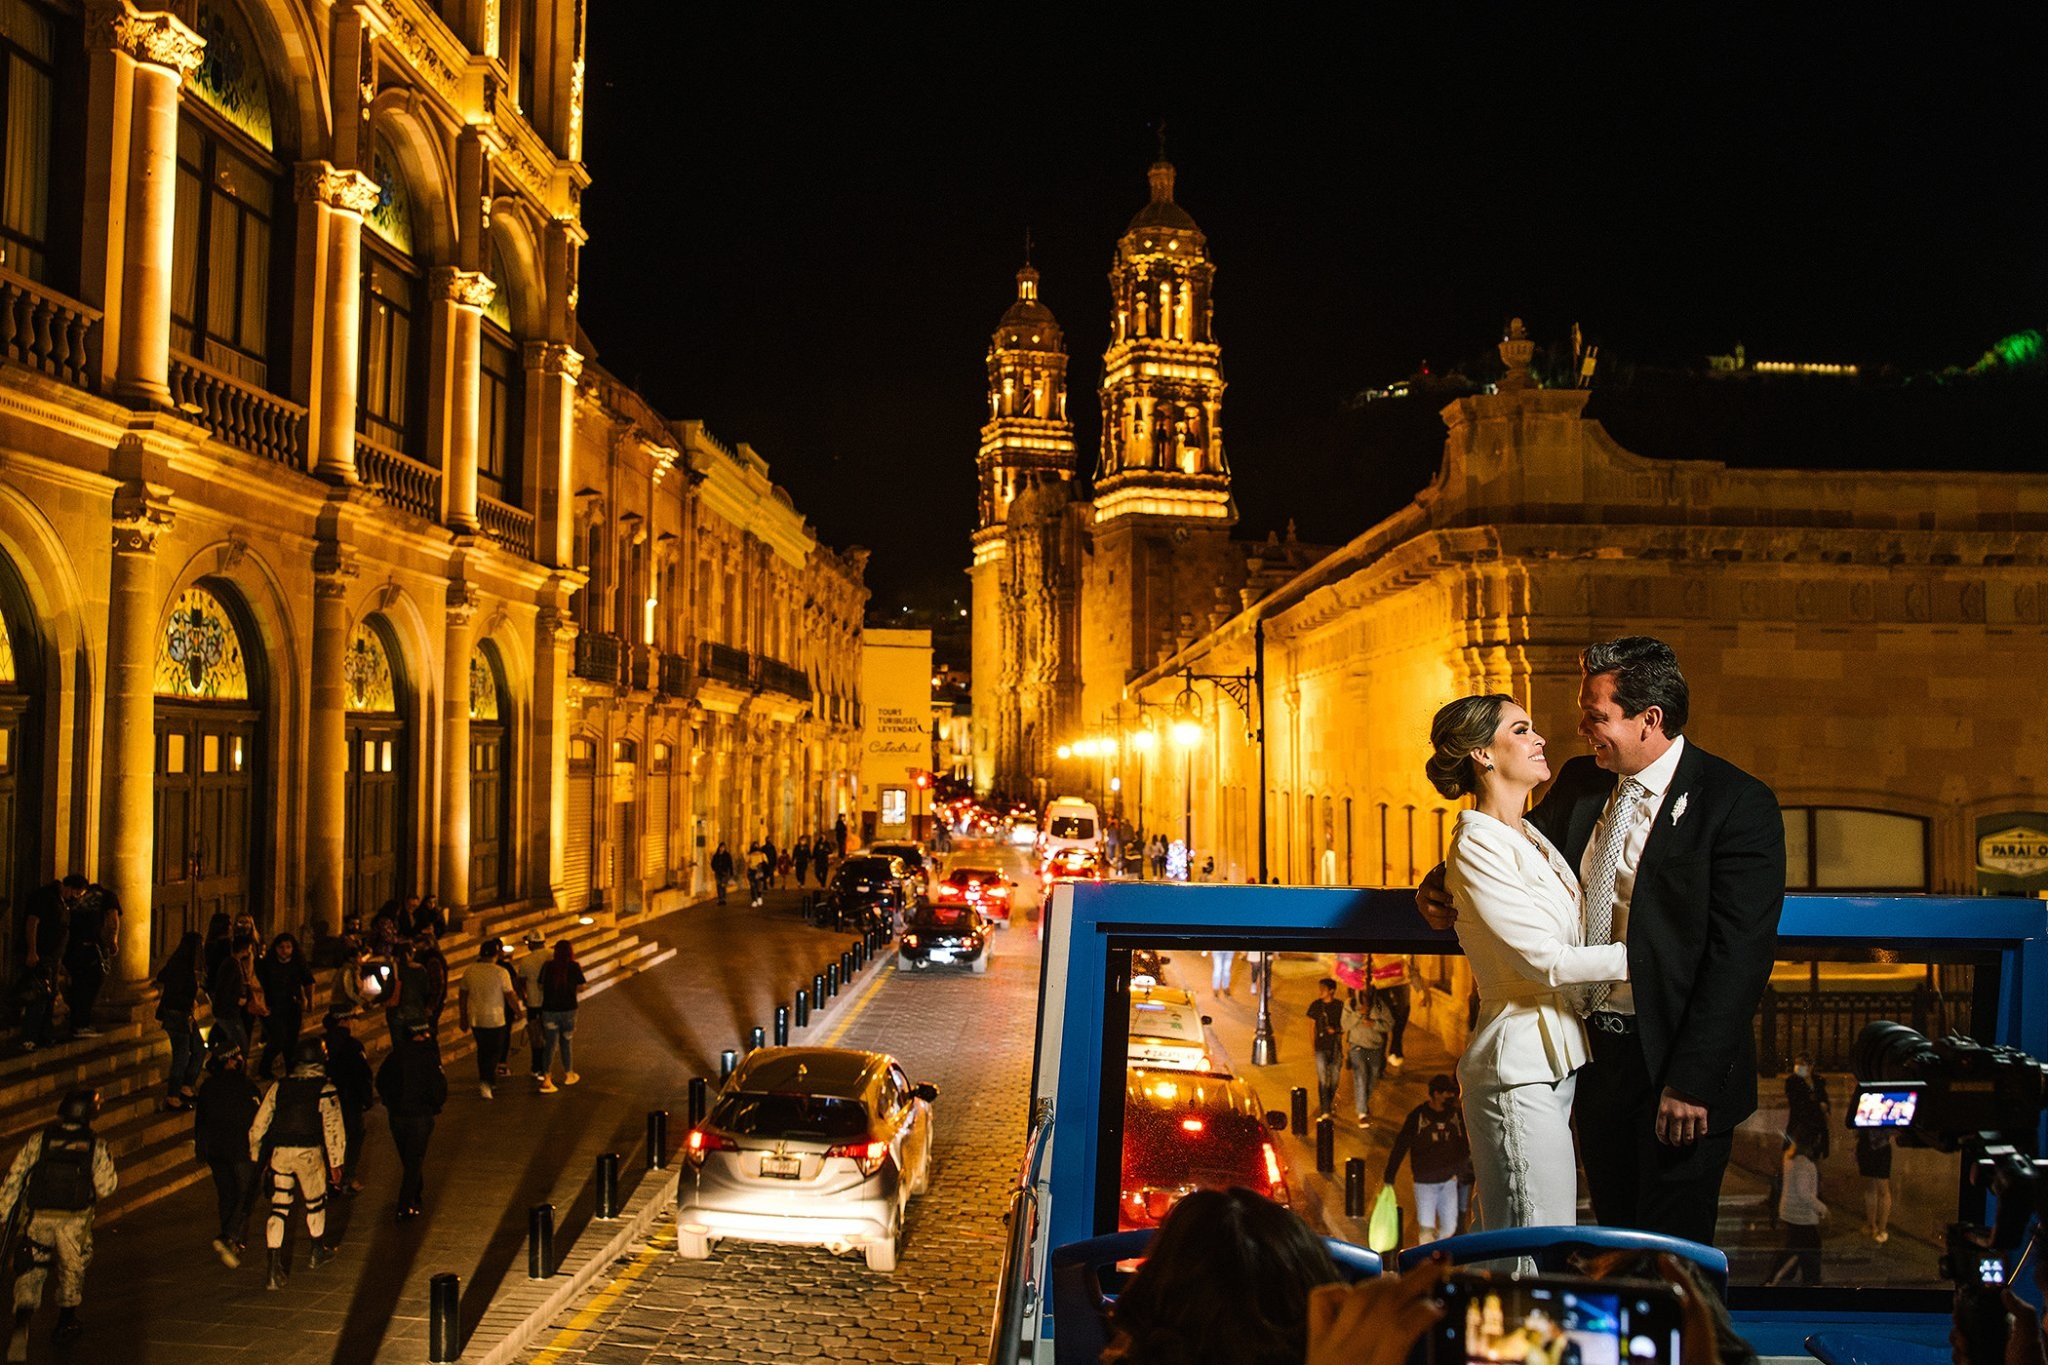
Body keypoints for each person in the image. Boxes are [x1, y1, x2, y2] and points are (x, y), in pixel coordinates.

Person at [1420, 638, 1785, 1246]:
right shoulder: (1580, 783)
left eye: (1597, 715)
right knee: (1608, 1245)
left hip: (1675, 1066)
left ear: (1650, 720)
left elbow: (1739, 957)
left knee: (1675, 1261)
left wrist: (1690, 1082)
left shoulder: (1736, 803)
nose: (1581, 727)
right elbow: (1508, 854)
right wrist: (1439, 886)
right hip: (1593, 1061)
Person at [1425, 692, 1628, 1230]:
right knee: (1532, 1236)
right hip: (1515, 1061)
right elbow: (1545, 960)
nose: (1540, 739)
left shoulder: (1530, 833)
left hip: (1553, 1056)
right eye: (1521, 729)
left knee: (1536, 1225)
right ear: (1482, 755)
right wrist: (1647, 958)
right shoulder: (1476, 842)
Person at [0, 1089, 115, 1357]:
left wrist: (4, 1213)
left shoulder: (40, 1140)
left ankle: (22, 1323)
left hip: (39, 1216)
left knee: (32, 1268)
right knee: (72, 1269)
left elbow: (15, 1176)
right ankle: (65, 1322)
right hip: (74, 1222)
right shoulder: (95, 1145)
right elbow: (107, 1187)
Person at [246, 1040, 345, 1290]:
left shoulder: (279, 1086)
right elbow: (333, 1130)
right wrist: (336, 1163)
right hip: (309, 1155)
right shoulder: (325, 1088)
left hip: (281, 1153)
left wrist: (256, 1155)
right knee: (315, 1204)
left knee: (279, 1208)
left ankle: (272, 1268)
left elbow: (259, 1124)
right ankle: (316, 1251)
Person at [1382, 1076, 1472, 1246]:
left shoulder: (1455, 1116)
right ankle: (1427, 1263)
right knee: (1426, 1230)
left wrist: (1463, 1170)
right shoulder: (1418, 1117)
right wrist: (1390, 1176)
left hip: (1449, 1182)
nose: (1451, 1096)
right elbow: (1401, 1145)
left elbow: (1464, 1145)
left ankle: (1437, 1259)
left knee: (1449, 1228)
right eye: (1447, 1092)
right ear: (1436, 1094)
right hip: (1425, 1184)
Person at [193, 1042, 260, 1269]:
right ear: (232, 1060)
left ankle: (232, 1240)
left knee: (227, 1193)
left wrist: (202, 1150)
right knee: (246, 1192)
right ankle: (230, 1235)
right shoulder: (246, 1086)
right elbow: (257, 1118)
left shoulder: (208, 1086)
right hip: (240, 1148)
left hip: (215, 1150)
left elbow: (200, 1121)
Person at [376, 1026, 447, 1220]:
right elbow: (439, 1087)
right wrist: (434, 1105)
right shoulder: (429, 1057)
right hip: (419, 1116)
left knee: (408, 1158)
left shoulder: (395, 1056)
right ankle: (405, 1204)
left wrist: (390, 1102)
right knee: (414, 1159)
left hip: (397, 1115)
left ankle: (415, 1192)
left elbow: (381, 1081)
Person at [17, 876, 82, 1051]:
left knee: (50, 996)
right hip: (42, 956)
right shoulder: (45, 897)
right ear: (67, 887)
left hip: (54, 958)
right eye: (75, 892)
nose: (75, 897)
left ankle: (44, 1035)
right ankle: (29, 1037)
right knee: (38, 997)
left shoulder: (62, 903)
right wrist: (32, 951)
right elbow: (32, 922)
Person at [458, 938, 521, 1099]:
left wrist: (463, 1016)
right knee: (495, 1050)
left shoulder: (470, 971)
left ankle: (486, 1080)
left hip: (476, 1017)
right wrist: (518, 1011)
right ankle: (487, 1081)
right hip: (495, 1018)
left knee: (483, 1049)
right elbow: (510, 995)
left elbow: (463, 995)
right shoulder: (501, 972)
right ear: (496, 954)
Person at [152, 931, 206, 1111]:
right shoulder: (180, 965)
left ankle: (186, 1085)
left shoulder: (183, 963)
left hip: (184, 1016)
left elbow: (162, 976)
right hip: (177, 1016)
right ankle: (173, 1095)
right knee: (181, 1056)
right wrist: (189, 1001)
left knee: (198, 1049)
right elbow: (172, 991)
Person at [59, 879, 118, 1038]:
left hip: (71, 948)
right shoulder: (108, 897)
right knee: (91, 984)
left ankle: (76, 1022)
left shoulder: (77, 901)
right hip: (90, 947)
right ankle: (81, 1024)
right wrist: (112, 941)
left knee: (77, 985)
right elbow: (113, 920)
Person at [322, 1012, 373, 1194]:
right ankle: (347, 1178)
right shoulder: (353, 1046)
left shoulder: (321, 1045)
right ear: (343, 1021)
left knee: (327, 1139)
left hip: (326, 1101)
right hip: (349, 1099)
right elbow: (362, 1074)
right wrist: (367, 1099)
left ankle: (330, 1178)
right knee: (353, 1137)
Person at [1767, 1132, 1825, 1285]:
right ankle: (1811, 1281)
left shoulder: (1789, 1157)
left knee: (1795, 1248)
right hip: (1801, 1216)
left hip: (1790, 1212)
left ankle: (1782, 1278)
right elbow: (1804, 1193)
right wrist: (1823, 1209)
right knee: (1811, 1248)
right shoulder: (1803, 1163)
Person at [255, 933, 314, 1081]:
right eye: (281, 947)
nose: (285, 951)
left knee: (292, 1040)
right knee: (278, 1038)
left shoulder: (298, 962)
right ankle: (264, 1068)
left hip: (292, 1005)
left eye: (288, 947)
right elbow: (259, 985)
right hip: (272, 1006)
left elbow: (308, 980)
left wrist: (309, 1000)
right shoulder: (267, 964)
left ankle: (291, 1070)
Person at [535, 940, 586, 1093]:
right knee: (566, 1042)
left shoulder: (547, 966)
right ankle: (569, 1073)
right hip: (569, 1009)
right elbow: (582, 986)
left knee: (550, 1044)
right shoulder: (574, 966)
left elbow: (540, 985)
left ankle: (547, 1078)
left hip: (549, 1010)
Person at [1341, 985, 1394, 1128]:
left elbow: (1389, 1024)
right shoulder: (1350, 1004)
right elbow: (1345, 1025)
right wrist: (1358, 1013)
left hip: (1375, 1047)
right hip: (1357, 1046)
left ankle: (1363, 1103)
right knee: (1361, 1075)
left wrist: (1374, 1024)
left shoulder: (1380, 1005)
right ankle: (1362, 1113)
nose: (1366, 994)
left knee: (1373, 1078)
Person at [1305, 978, 1345, 1119]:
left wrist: (1337, 1030)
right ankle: (1325, 1109)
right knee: (1323, 1079)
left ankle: (1328, 1103)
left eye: (1323, 989)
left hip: (1335, 1048)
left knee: (1334, 1079)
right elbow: (1311, 1027)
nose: (1320, 992)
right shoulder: (1316, 1005)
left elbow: (1346, 1025)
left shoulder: (1340, 1006)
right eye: (1320, 989)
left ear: (1332, 991)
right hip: (1321, 1047)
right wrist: (1313, 1046)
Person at [514, 931, 550, 1081]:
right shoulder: (552, 955)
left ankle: (537, 1067)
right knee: (548, 1036)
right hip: (550, 1002)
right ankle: (546, 1067)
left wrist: (523, 996)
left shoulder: (526, 961)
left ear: (532, 943)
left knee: (536, 1038)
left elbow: (520, 982)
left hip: (534, 1003)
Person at [1784, 1053, 1831, 1160]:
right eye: (1797, 1063)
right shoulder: (1792, 1081)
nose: (1798, 1067)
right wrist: (1817, 1104)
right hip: (1801, 1122)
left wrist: (1825, 1106)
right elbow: (1796, 1102)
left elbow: (1823, 1097)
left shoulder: (1818, 1081)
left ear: (1810, 1066)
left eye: (1802, 1064)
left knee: (1815, 1151)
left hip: (1817, 1121)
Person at [1369, 953, 1411, 1073]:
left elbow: (1411, 970)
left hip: (1399, 991)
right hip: (1381, 990)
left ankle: (1395, 1052)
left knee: (1398, 1025)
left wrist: (1420, 991)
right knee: (1383, 1029)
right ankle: (1381, 1064)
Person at [1855, 1125, 1892, 1244]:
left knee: (1883, 1189)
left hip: (1881, 1146)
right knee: (1870, 1186)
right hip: (1865, 1146)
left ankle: (1882, 1229)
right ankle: (1871, 1224)